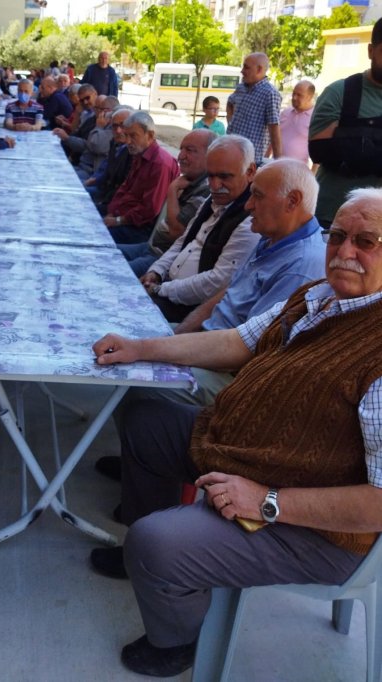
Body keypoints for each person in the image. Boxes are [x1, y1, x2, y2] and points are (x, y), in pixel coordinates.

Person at [89, 186, 382, 677]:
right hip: (247, 451)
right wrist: (143, 347)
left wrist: (267, 500)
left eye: (368, 241)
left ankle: (176, 641)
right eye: (338, 236)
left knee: (155, 542)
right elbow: (237, 341)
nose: (346, 252)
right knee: (145, 415)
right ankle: (160, 569)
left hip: (317, 529)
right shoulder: (319, 296)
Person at [95, 157, 327, 489]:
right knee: (136, 357)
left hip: (232, 372)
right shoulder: (272, 236)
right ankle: (141, 463)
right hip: (213, 345)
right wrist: (179, 334)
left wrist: (169, 350)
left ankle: (155, 486)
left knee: (143, 387)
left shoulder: (302, 265)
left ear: (292, 202)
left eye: (257, 196)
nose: (248, 205)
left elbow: (247, 351)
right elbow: (224, 294)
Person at [138, 135, 259, 322]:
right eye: (210, 176)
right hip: (169, 290)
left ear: (250, 172)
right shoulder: (212, 201)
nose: (215, 185)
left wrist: (160, 289)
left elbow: (217, 282)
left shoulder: (250, 220)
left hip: (191, 310)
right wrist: (157, 272)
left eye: (224, 177)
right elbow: (182, 242)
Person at [309, 18, 382, 227]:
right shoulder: (339, 92)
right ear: (370, 51)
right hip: (332, 217)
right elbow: (320, 151)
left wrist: (353, 142)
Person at [120, 129, 214, 276]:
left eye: (190, 150)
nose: (181, 156)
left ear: (210, 156)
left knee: (111, 268)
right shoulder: (190, 180)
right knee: (103, 253)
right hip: (150, 247)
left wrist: (172, 190)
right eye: (181, 149)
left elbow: (174, 232)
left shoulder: (205, 189)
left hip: (161, 259)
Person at [103, 110, 180, 244]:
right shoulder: (140, 155)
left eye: (133, 136)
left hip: (139, 228)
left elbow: (150, 210)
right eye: (126, 135)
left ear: (150, 135)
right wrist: (111, 211)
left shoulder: (160, 164)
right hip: (124, 218)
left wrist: (118, 220)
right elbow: (125, 188)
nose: (127, 141)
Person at [227, 52, 282, 164]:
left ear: (259, 70)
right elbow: (230, 102)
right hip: (231, 151)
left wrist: (279, 163)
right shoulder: (241, 87)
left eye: (246, 67)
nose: (242, 71)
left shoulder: (270, 93)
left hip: (250, 159)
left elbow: (274, 129)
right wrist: (231, 123)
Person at [84, 106, 133, 212]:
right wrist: (95, 180)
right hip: (104, 192)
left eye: (123, 125)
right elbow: (107, 172)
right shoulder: (115, 143)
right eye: (114, 126)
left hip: (114, 203)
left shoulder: (133, 152)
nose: (119, 130)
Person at [279, 80, 315, 165]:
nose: (294, 97)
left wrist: (312, 174)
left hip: (298, 171)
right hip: (276, 165)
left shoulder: (315, 118)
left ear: (310, 97)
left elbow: (320, 149)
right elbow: (275, 137)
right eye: (293, 94)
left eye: (299, 95)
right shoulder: (285, 113)